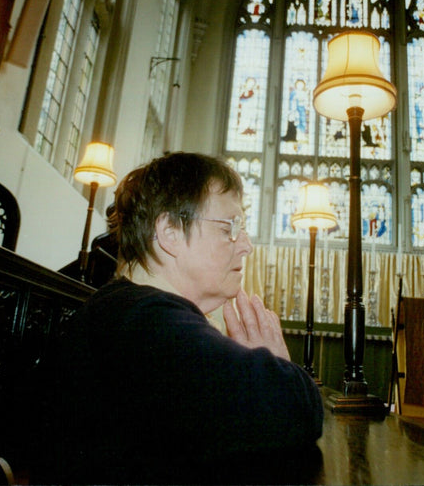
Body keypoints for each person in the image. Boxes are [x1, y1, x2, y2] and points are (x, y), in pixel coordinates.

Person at [33, 152, 324, 485]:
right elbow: (293, 408)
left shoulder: (128, 306)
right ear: (169, 231)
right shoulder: (143, 317)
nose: (246, 246)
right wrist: (279, 367)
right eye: (230, 227)